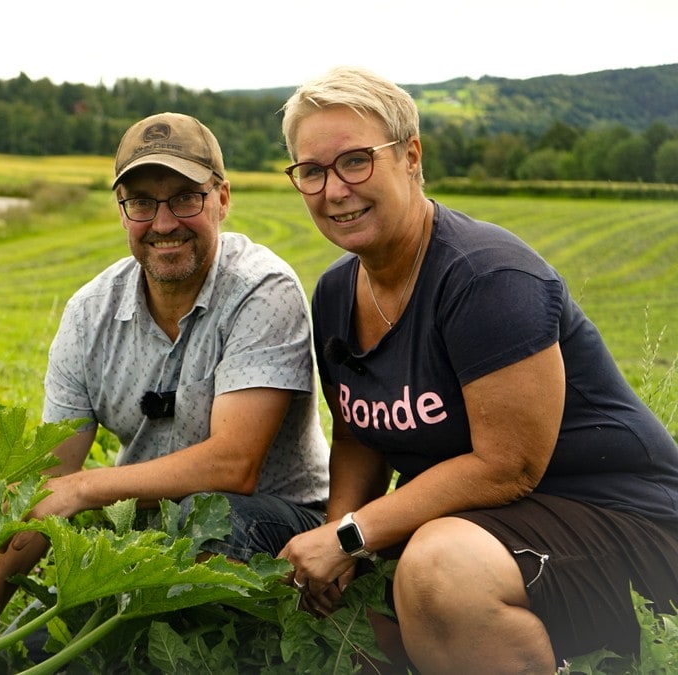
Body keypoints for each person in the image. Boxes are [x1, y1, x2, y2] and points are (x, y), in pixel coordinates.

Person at [275, 65, 678, 674]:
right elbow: (360, 431)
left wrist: (352, 535)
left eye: (356, 161)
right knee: (353, 600)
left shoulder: (486, 278)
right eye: (312, 171)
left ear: (411, 156)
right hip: (490, 530)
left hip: (627, 526)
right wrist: (340, 540)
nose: (334, 190)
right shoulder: (336, 292)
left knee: (437, 573)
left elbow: (508, 465)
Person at [0, 112, 331, 642]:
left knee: (210, 524)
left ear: (222, 199)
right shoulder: (89, 316)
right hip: (151, 536)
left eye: (185, 198)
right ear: (123, 210)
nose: (163, 222)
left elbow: (234, 465)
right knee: (39, 647)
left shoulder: (261, 291)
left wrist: (83, 489)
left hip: (276, 528)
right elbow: (45, 488)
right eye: (142, 202)